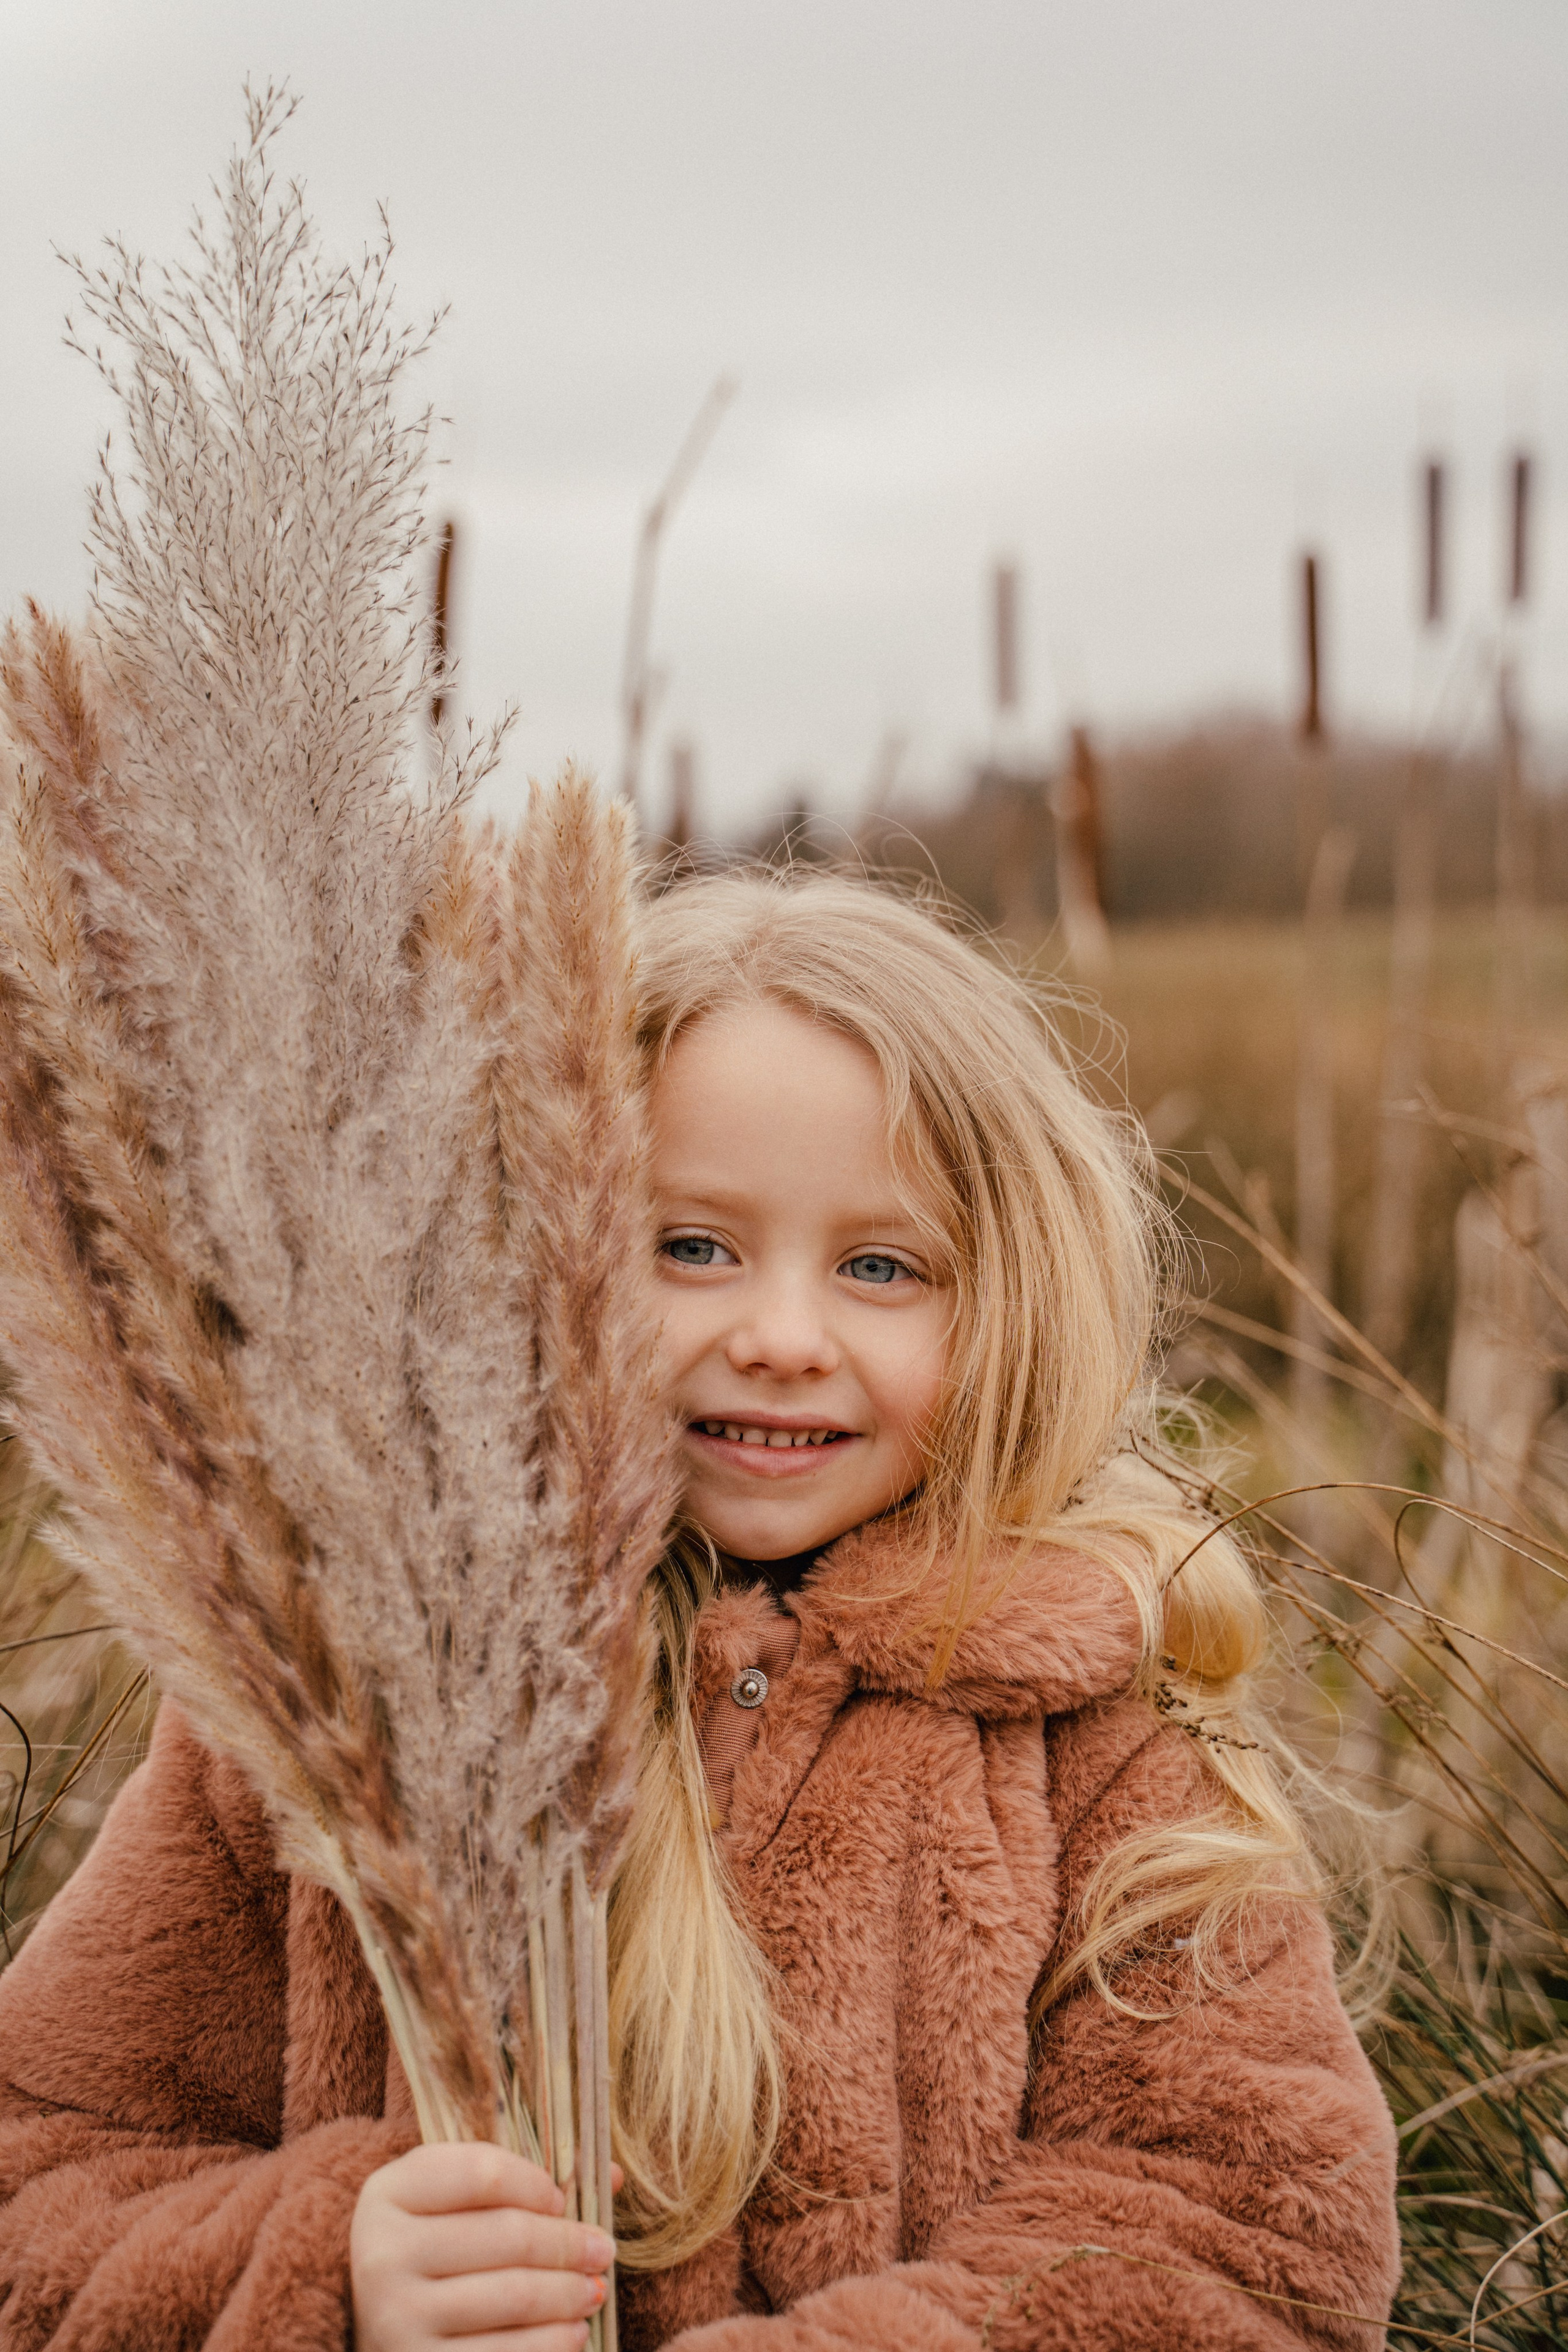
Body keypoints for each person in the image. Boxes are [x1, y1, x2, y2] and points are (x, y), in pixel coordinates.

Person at [0, 870, 1398, 2351]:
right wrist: (327, 2269)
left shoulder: (1095, 1725)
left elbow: (1251, 2234)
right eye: (688, 1248)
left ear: (1012, 1303)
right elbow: (44, 2172)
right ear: (523, 1253)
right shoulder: (336, 1698)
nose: (779, 1338)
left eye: (878, 1267)